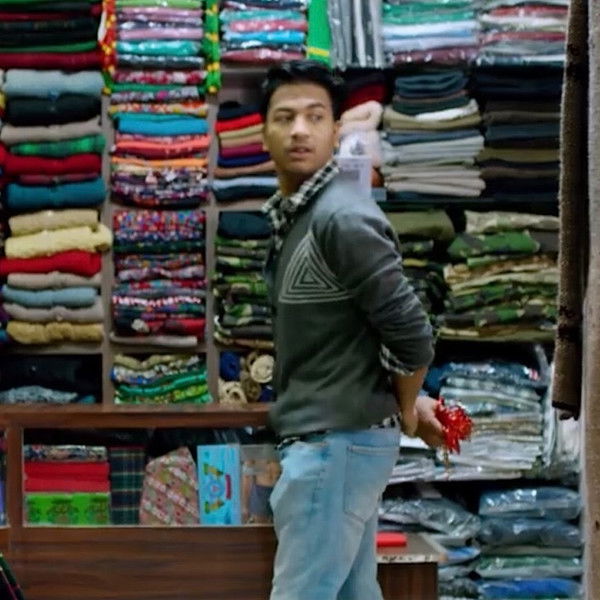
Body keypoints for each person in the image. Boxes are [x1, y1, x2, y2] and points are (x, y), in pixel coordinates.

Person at [260, 60, 444, 600]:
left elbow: (412, 336)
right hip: (336, 439)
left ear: (336, 129)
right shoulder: (303, 214)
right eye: (285, 117)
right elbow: (359, 333)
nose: (299, 130)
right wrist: (404, 401)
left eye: (315, 117)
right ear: (264, 131)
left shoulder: (340, 218)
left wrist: (406, 408)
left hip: (333, 442)